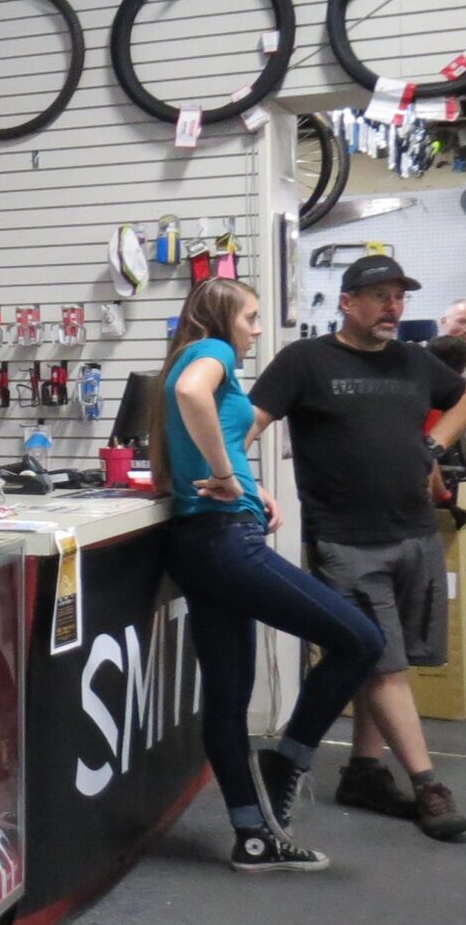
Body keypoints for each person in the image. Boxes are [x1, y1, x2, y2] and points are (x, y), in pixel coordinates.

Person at [154, 277, 384, 874]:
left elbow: (206, 421)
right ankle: (288, 761)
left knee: (228, 699)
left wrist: (250, 488)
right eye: (252, 318)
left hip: (202, 541)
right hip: (225, 540)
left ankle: (254, 836)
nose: (256, 330)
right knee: (361, 640)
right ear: (223, 317)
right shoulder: (211, 353)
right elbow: (190, 395)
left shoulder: (189, 353)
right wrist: (228, 476)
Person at [252, 255, 466, 842]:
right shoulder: (305, 361)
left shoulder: (415, 360)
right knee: (382, 661)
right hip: (345, 540)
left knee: (384, 658)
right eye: (379, 296)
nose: (392, 307)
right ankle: (428, 783)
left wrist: (431, 444)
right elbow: (248, 422)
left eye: (399, 297)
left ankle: (363, 770)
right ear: (347, 302)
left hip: (414, 532)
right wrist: (236, 475)